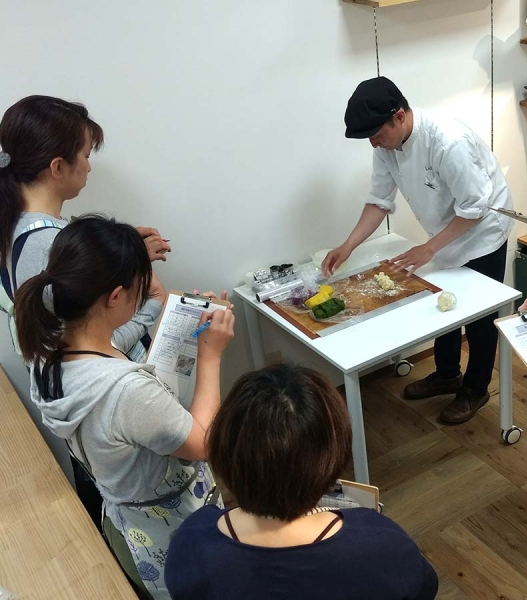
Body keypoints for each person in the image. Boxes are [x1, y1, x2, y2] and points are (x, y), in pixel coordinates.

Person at [15, 216, 235, 600]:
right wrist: (211, 355)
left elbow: (116, 350)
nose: (143, 294)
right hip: (176, 534)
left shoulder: (47, 351)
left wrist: (178, 322)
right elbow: (203, 443)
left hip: (128, 524)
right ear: (115, 297)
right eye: (139, 288)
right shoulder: (127, 391)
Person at [0, 95, 172, 533]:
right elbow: (87, 350)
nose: (90, 166)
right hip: (111, 423)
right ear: (57, 167)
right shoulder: (43, 245)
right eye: (85, 154)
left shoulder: (26, 226)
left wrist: (122, 248)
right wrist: (153, 305)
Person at [322, 76, 513, 424]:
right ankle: (447, 374)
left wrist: (429, 248)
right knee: (443, 303)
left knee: (479, 318)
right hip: (445, 231)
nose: (373, 143)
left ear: (398, 116)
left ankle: (475, 389)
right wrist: (348, 245)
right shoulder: (387, 147)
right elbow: (379, 201)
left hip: (482, 231)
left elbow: (474, 208)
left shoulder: (447, 142)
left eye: (375, 135)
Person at [165, 363, 439, 600]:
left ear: (224, 452)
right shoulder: (381, 543)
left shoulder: (192, 542)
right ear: (335, 456)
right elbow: (424, 588)